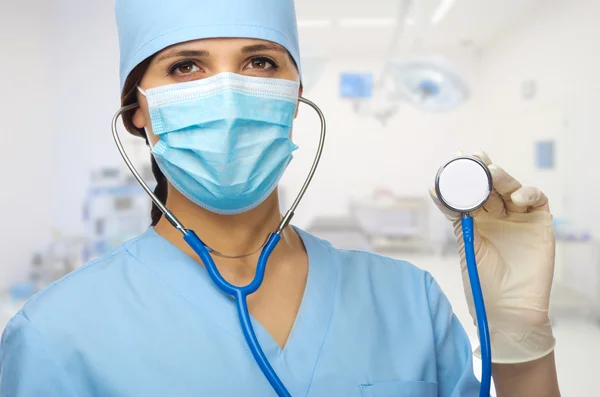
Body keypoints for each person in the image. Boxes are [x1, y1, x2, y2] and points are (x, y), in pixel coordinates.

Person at [0, 0, 560, 396]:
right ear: (139, 110)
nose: (227, 92)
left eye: (260, 62)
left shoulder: (409, 301)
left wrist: (522, 344)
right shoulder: (57, 335)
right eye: (186, 66)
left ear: (294, 98)